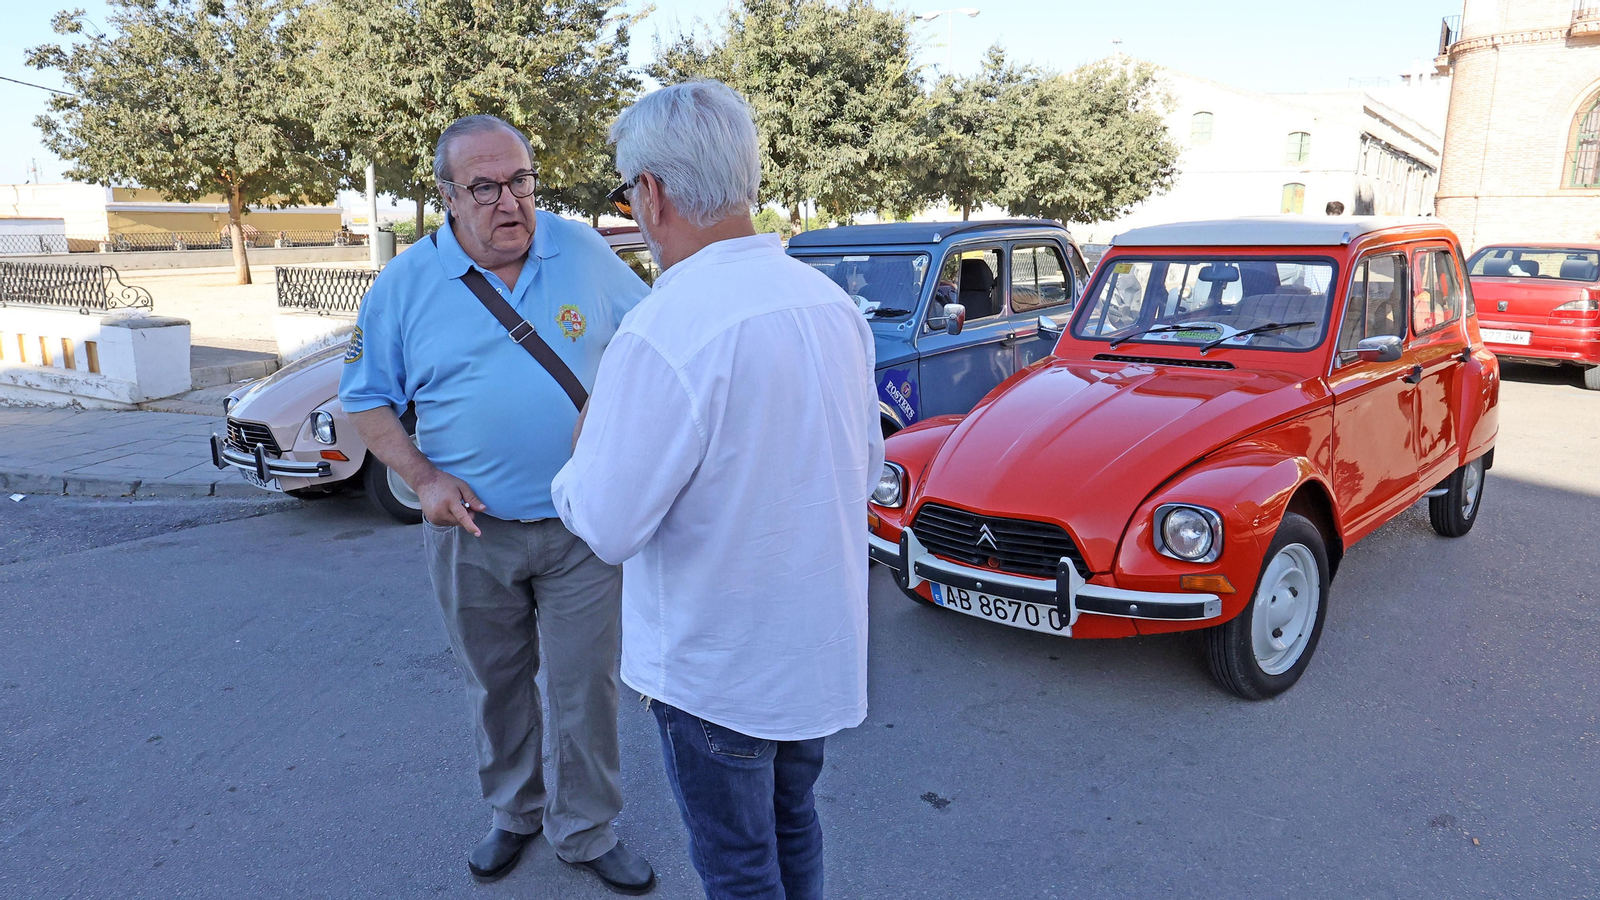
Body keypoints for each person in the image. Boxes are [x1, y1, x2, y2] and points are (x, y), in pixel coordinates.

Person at [552, 81, 883, 900]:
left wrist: (582, 449)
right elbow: (867, 468)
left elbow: (607, 522)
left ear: (653, 194)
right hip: (813, 652)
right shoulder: (829, 305)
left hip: (719, 670)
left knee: (738, 863)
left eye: (629, 191)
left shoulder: (667, 328)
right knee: (794, 824)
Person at [339, 114, 656, 895]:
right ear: (447, 195)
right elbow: (367, 400)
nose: (509, 202)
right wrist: (424, 479)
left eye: (520, 181)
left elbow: (653, 338)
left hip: (584, 527)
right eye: (485, 187)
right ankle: (515, 814)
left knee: (589, 687)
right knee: (498, 683)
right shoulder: (405, 284)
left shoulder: (580, 249)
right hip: (470, 532)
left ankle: (586, 830)